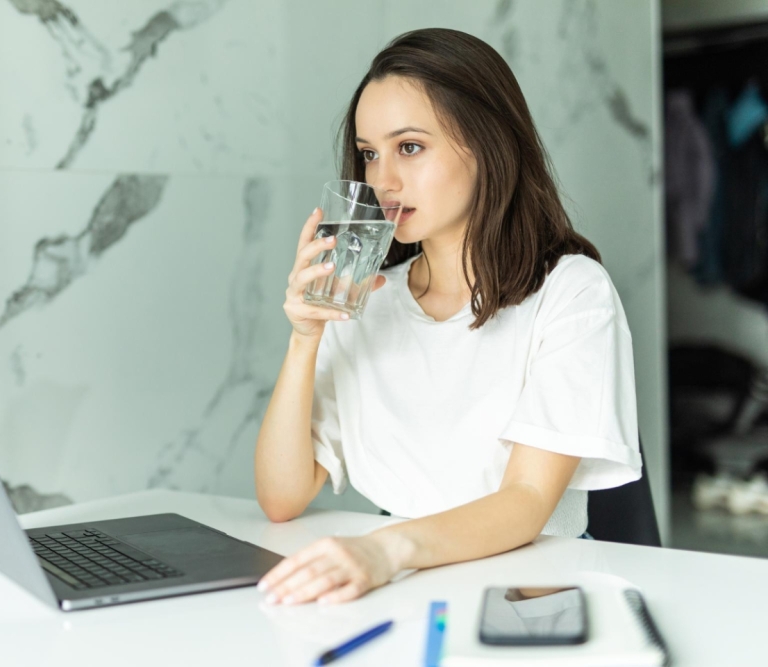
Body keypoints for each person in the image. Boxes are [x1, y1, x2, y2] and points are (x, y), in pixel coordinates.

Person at [253, 28, 642, 606]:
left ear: (488, 144)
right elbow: (282, 498)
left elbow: (528, 500)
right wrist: (304, 338)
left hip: (529, 595)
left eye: (409, 147)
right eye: (369, 153)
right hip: (400, 585)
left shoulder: (572, 293)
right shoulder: (368, 301)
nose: (382, 180)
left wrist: (384, 551)